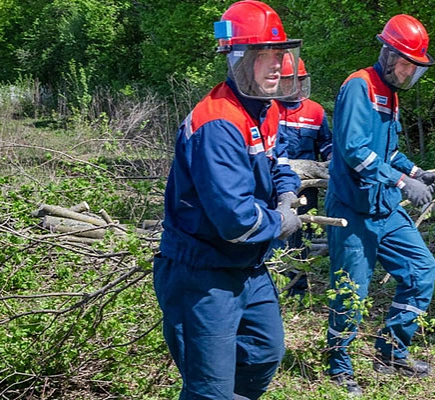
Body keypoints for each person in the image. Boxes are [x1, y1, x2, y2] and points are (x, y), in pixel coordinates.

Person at [152, 1, 303, 399]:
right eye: (265, 55)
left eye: (280, 54)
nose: (277, 65)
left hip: (247, 266)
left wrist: (287, 190)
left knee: (263, 353)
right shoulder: (218, 123)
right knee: (211, 391)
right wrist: (281, 222)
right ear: (237, 58)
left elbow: (279, 160)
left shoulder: (265, 111)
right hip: (202, 273)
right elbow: (235, 220)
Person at [324, 14, 435, 396]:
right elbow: (355, 150)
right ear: (388, 54)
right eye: (406, 63)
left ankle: (392, 350)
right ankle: (338, 365)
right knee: (351, 290)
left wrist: (417, 171)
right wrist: (402, 181)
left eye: (415, 67)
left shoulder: (390, 94)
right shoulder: (359, 87)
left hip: (386, 208)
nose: (410, 72)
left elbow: (387, 150)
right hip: (353, 210)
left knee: (421, 269)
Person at [276, 55, 332, 297]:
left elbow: (327, 143)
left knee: (302, 236)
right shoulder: (268, 109)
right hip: (276, 184)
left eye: (299, 81)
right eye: (289, 81)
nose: (295, 86)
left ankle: (297, 289)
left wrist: (332, 162)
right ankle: (274, 284)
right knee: (277, 231)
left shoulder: (316, 111)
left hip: (308, 187)